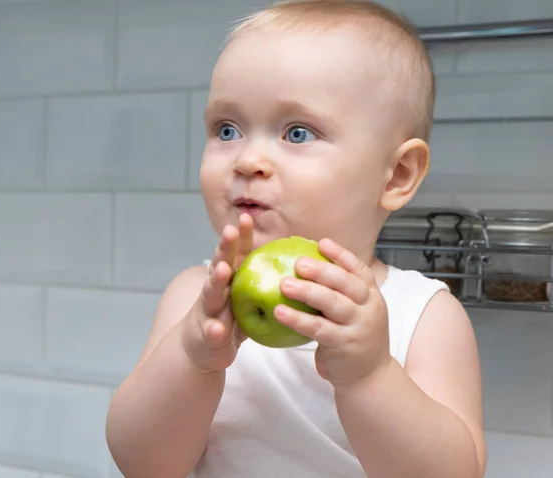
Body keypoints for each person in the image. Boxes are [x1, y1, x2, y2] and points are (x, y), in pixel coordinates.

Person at [105, 1, 487, 477]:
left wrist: (370, 376)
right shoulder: (194, 300)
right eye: (227, 129)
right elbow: (144, 465)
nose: (247, 159)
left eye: (298, 132)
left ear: (396, 176)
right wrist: (192, 358)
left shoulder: (423, 314)